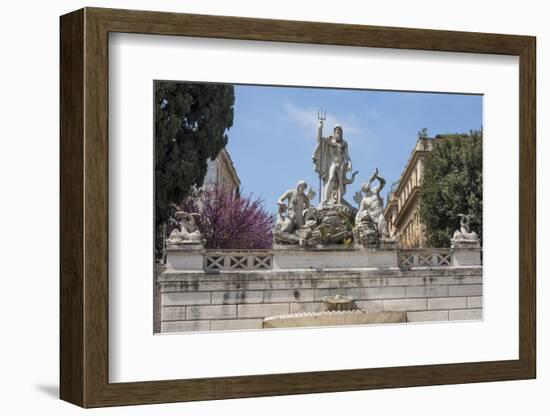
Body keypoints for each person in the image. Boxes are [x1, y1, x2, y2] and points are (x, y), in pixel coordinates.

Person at [312, 120, 353, 205]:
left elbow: (347, 156)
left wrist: (349, 163)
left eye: (339, 131)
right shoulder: (330, 140)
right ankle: (325, 200)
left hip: (341, 164)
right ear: (334, 132)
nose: (338, 132)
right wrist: (320, 127)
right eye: (336, 131)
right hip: (333, 163)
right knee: (330, 179)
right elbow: (319, 139)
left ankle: (339, 200)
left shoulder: (344, 143)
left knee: (340, 182)